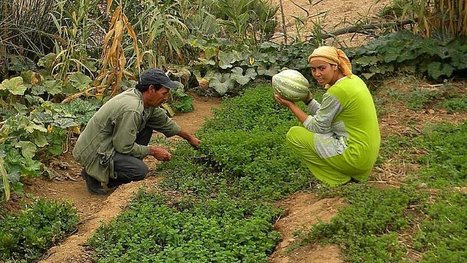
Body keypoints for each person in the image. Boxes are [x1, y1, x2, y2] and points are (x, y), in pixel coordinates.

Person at [73, 68, 201, 195]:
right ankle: (94, 174)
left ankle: (112, 173)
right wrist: (152, 151)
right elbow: (123, 146)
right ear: (151, 89)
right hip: (94, 152)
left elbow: (166, 124)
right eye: (164, 93)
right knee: (139, 171)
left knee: (146, 127)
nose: (166, 98)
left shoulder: (145, 102)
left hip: (107, 144)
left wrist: (190, 138)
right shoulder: (132, 108)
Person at [274, 46, 380, 186]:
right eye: (313, 69)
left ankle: (339, 180)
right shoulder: (352, 80)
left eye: (321, 68)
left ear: (334, 66)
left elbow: (318, 127)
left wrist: (291, 105)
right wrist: (308, 100)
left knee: (295, 134)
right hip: (365, 155)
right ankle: (351, 173)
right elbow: (325, 116)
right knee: (305, 126)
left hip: (355, 157)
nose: (317, 74)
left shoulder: (337, 92)